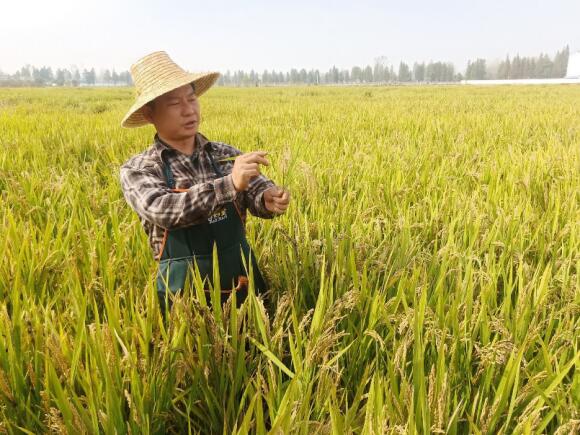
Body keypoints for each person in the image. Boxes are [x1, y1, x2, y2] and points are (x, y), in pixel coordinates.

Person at [118, 51, 290, 320]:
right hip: (183, 294)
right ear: (149, 113)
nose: (189, 110)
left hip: (240, 279)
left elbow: (255, 187)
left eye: (191, 98)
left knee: (255, 338)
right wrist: (229, 184)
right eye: (175, 103)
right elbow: (163, 210)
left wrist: (268, 198)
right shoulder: (139, 169)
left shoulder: (225, 155)